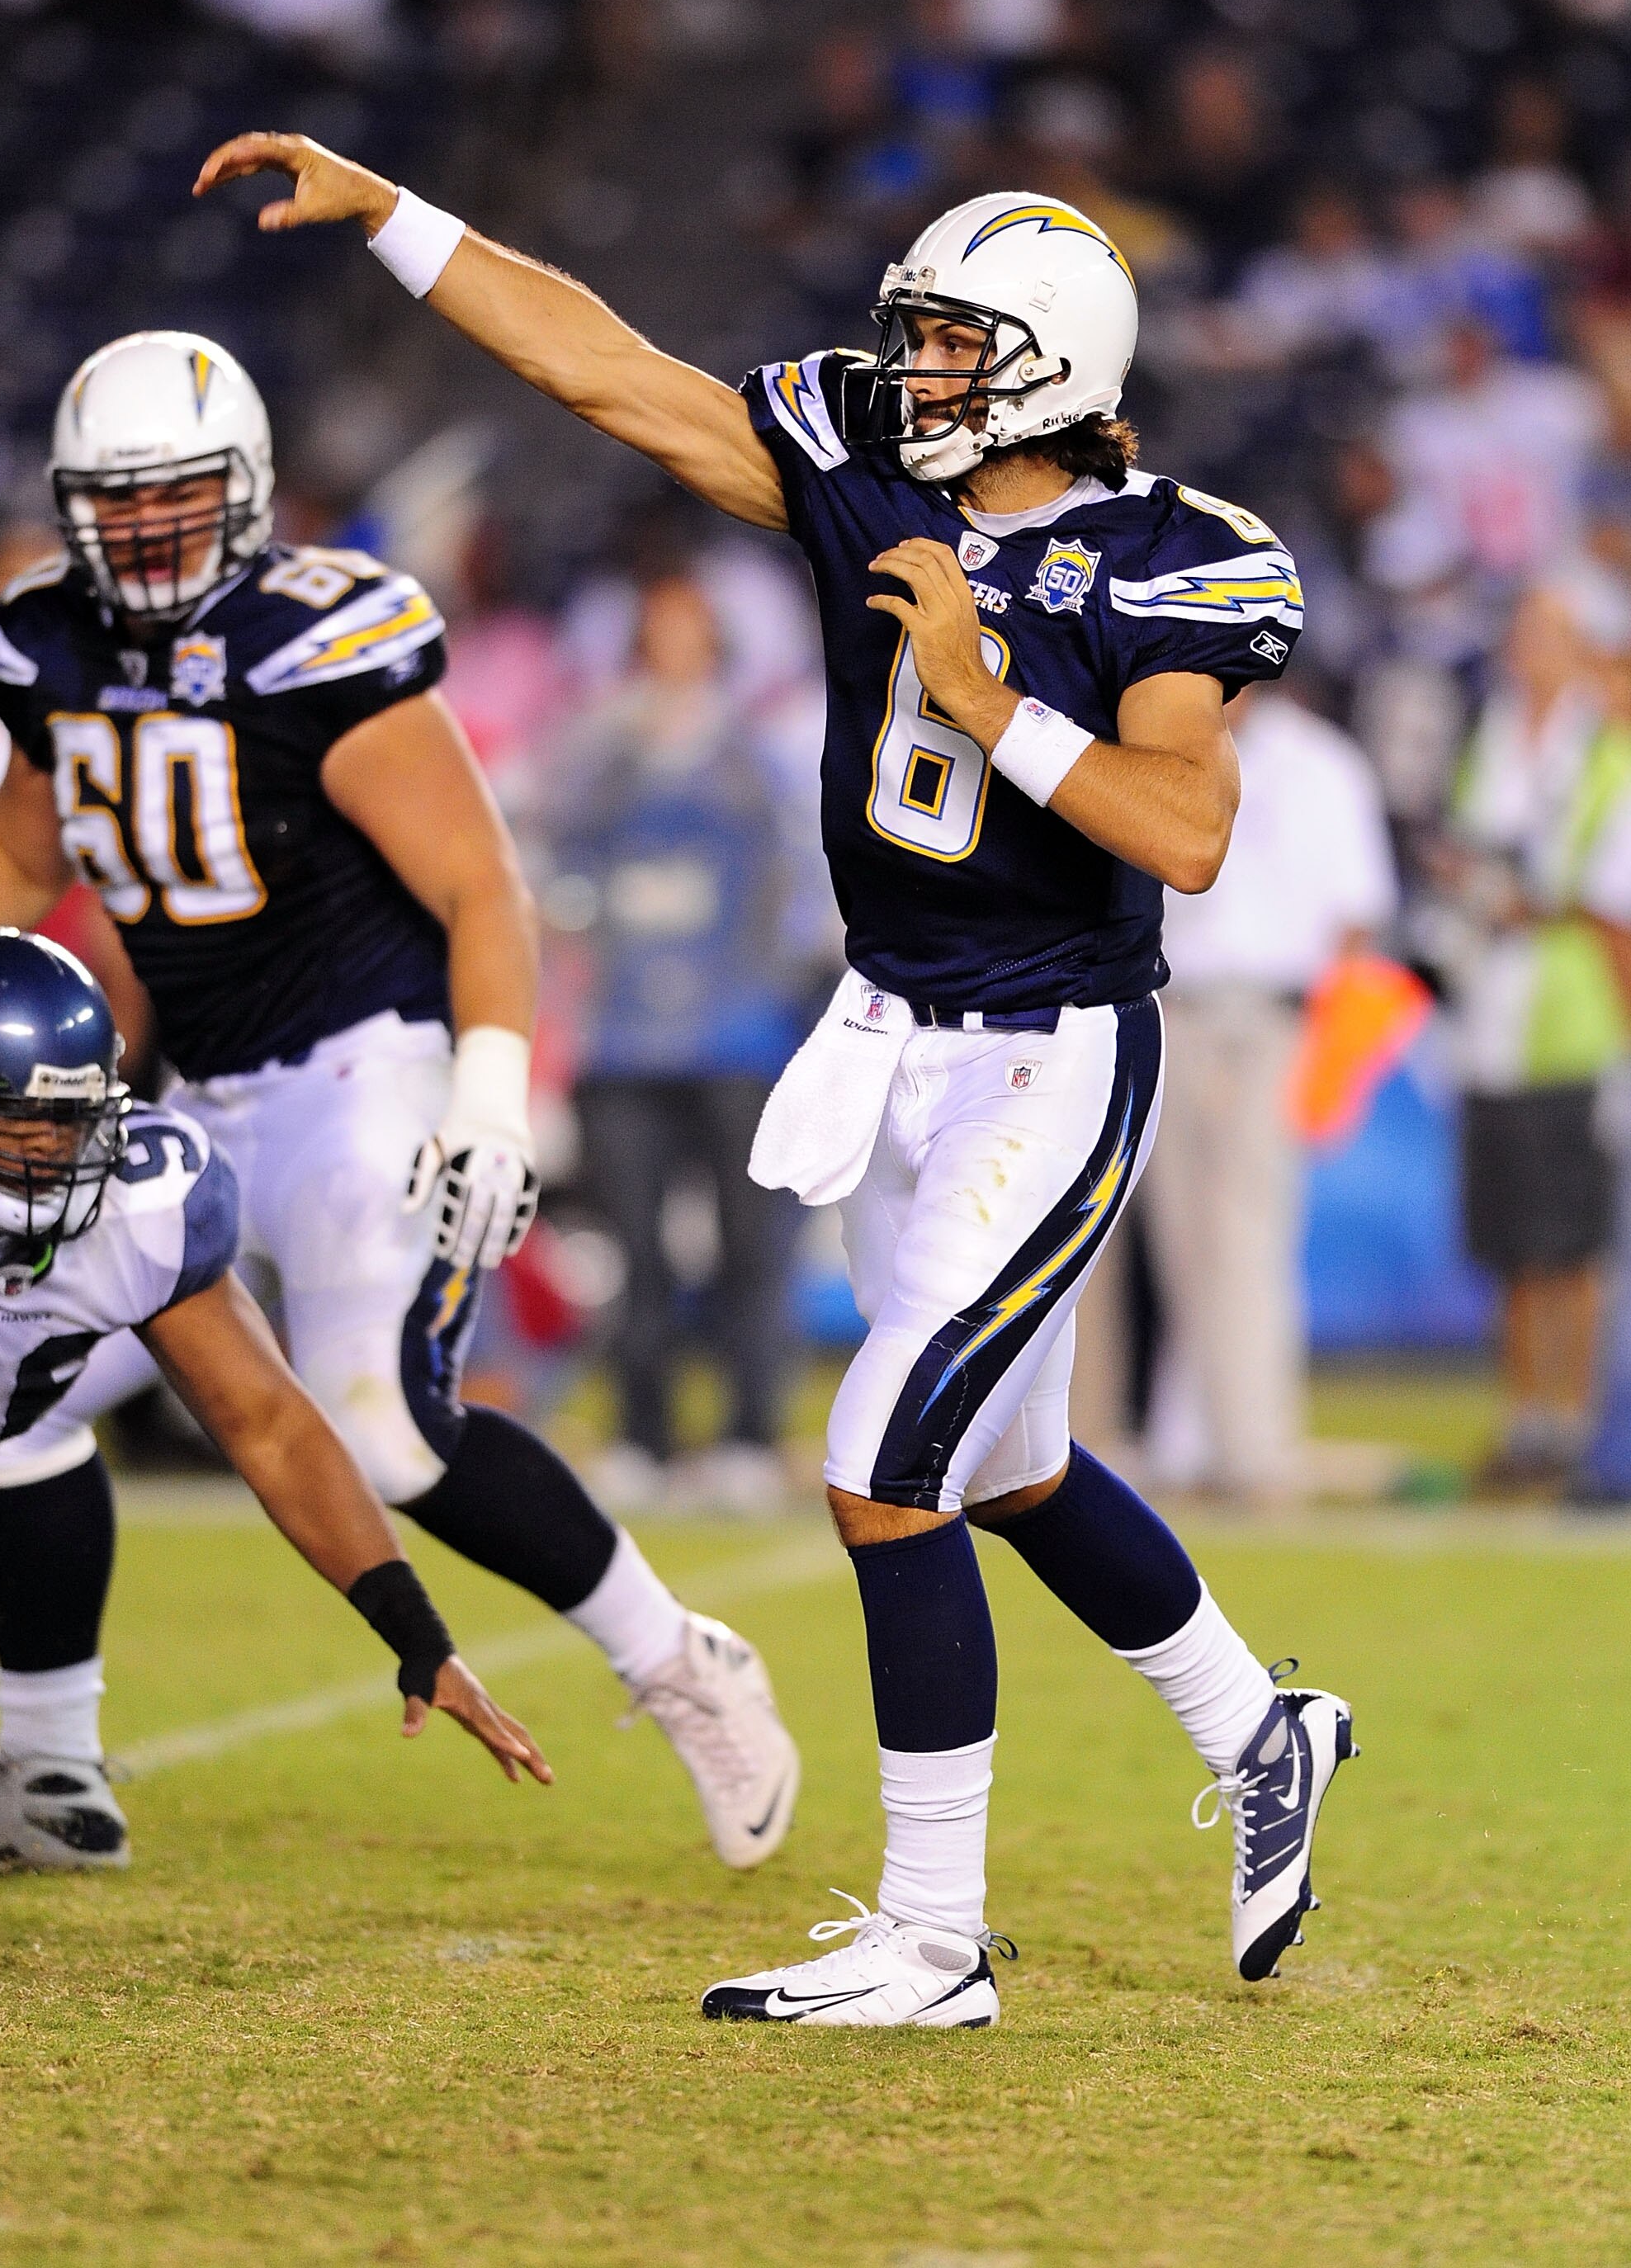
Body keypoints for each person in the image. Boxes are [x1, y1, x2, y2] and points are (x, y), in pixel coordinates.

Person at [190, 132, 1360, 2026]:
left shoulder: (1167, 558)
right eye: (912, 338)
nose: (914, 373)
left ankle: (930, 1936)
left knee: (879, 1459)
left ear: (1056, 358)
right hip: (892, 1035)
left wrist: (992, 701)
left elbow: (1182, 831)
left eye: (957, 345)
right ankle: (1261, 1728)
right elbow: (606, 367)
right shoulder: (861, 465)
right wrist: (395, 212)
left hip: (1050, 1051)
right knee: (1012, 1470)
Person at [0, 329, 797, 1880]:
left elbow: (481, 880)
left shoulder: (317, 638)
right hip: (193, 1089)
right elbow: (16, 856)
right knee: (25, 1399)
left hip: (363, 1069)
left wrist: (486, 1090)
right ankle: (54, 1760)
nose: (143, 533)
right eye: (114, 504)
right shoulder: (48, 644)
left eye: (176, 498)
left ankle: (679, 1659)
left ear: (249, 492)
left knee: (387, 1429)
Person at [0, 929, 546, 1921]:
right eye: (19, 1124)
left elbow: (267, 1423)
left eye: (74, 1121)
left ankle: (51, 1765)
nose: (55, 1154)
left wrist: (418, 1635)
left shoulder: (140, 1207)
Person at [549, 566, 800, 1514]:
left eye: (691, 630)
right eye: (659, 631)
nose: (675, 650)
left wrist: (775, 987)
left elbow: (801, 882)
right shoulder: (597, 751)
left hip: (735, 1037)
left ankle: (747, 1432)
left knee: (749, 1248)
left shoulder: (756, 757)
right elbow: (552, 861)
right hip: (621, 1042)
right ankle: (643, 1433)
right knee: (636, 1255)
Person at [1141, 682, 1400, 1502]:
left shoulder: (1321, 763)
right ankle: (1190, 1442)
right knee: (1180, 1237)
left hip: (1275, 1018)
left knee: (1248, 1235)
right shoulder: (1154, 743)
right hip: (1171, 1008)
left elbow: (1357, 917)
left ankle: (1254, 1449)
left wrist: (1334, 1048)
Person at [1442, 567, 1631, 1491]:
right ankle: (1527, 1418)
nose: (1530, 649)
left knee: (1574, 1243)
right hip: (1491, 1015)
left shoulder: (1605, 754)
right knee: (1514, 1239)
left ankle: (1575, 1420)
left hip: (1569, 1017)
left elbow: (1599, 903)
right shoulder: (1496, 736)